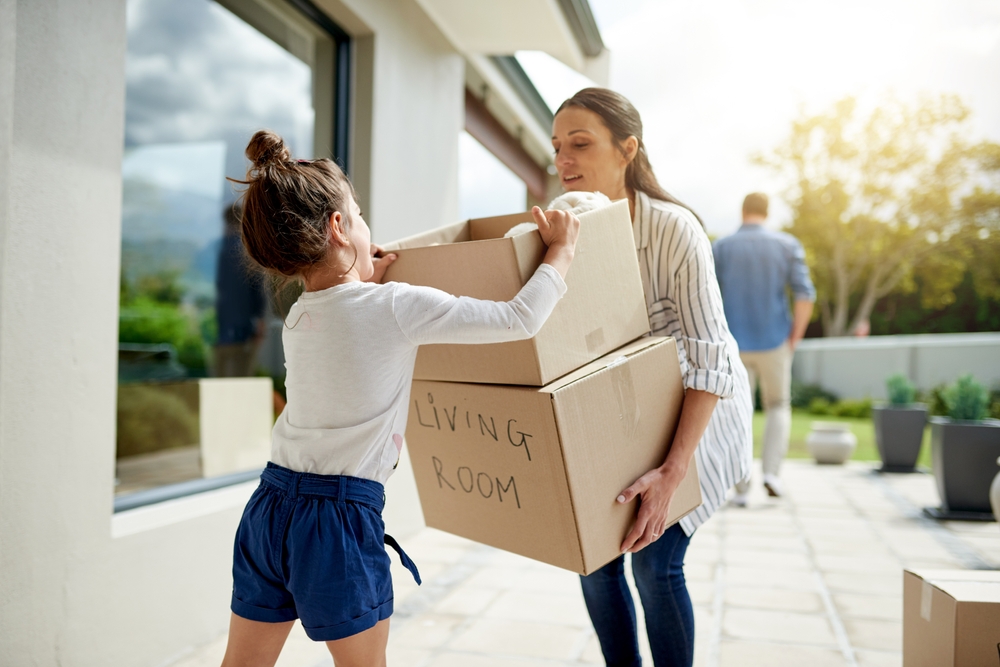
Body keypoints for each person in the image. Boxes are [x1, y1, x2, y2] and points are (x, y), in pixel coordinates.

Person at [221, 130, 580, 667]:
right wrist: (561, 252)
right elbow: (517, 318)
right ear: (338, 227)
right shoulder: (395, 307)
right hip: (337, 518)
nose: (367, 227)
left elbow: (349, 330)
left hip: (268, 508)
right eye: (359, 215)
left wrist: (367, 274)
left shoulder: (299, 316)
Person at [551, 88, 753, 667]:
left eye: (581, 144)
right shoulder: (568, 232)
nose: (564, 160)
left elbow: (711, 359)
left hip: (701, 408)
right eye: (558, 147)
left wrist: (672, 471)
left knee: (654, 559)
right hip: (630, 413)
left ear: (627, 149)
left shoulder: (674, 228)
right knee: (594, 557)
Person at [713, 192, 815, 505]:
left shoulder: (722, 247)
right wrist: (794, 337)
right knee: (778, 405)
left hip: (732, 343)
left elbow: (708, 295)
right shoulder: (786, 245)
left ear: (743, 211)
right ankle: (771, 474)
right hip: (775, 341)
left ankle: (741, 487)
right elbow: (805, 295)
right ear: (767, 213)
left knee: (736, 412)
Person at [214, 203, 266, 378]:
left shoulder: (220, 250)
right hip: (244, 330)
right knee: (242, 382)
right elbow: (257, 289)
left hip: (222, 329)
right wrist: (259, 320)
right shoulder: (247, 251)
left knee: (220, 384)